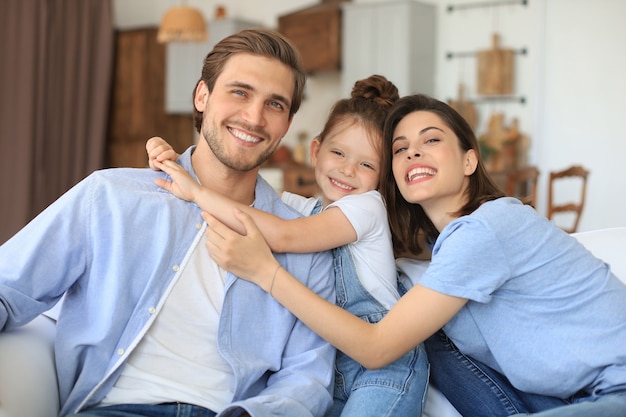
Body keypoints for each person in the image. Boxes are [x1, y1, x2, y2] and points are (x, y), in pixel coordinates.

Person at [198, 93, 626, 417]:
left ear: (470, 160)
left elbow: (378, 347)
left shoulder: (490, 226)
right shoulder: (443, 253)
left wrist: (266, 273)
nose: (413, 152)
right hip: (554, 400)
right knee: (422, 330)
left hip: (616, 390)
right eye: (400, 148)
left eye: (431, 140)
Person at [0, 29, 337, 417]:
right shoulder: (111, 197)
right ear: (202, 96)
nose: (254, 117)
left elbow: (308, 376)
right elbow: (9, 288)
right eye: (240, 92)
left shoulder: (306, 243)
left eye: (275, 104)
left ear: (288, 122)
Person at [146, 75, 429, 417]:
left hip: (385, 369)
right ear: (316, 151)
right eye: (338, 152)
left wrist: (196, 191)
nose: (347, 169)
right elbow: (246, 206)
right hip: (334, 369)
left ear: (383, 178)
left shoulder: (366, 207)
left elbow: (280, 234)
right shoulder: (304, 210)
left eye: (367, 164)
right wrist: (181, 164)